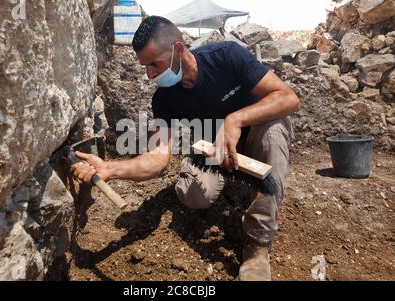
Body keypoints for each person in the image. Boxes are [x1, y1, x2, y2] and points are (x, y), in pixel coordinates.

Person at [72, 16, 300, 281]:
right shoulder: (165, 98)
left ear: (178, 49)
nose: (150, 75)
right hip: (213, 152)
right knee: (193, 197)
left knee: (272, 133)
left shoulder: (226, 57)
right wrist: (110, 168)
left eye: (154, 64)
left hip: (257, 138)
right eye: (145, 67)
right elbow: (157, 159)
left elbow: (288, 98)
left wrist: (235, 119)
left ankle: (258, 247)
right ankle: (225, 179)